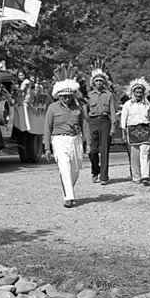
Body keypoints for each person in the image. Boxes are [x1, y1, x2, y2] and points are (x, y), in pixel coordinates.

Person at [44, 65, 90, 208]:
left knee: (75, 170)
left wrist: (88, 143)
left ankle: (68, 188)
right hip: (59, 140)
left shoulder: (78, 107)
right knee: (64, 167)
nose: (66, 98)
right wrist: (47, 148)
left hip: (76, 140)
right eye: (63, 96)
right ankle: (68, 198)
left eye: (69, 96)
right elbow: (47, 127)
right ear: (58, 95)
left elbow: (85, 125)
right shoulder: (52, 108)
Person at [121, 77, 150, 186]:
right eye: (136, 92)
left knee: (145, 153)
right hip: (132, 130)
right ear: (132, 92)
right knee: (134, 155)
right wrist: (124, 134)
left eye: (140, 92)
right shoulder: (127, 104)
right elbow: (123, 120)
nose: (138, 94)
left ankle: (145, 176)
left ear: (143, 93)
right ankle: (136, 176)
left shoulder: (147, 105)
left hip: (145, 129)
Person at [86, 61, 117, 185]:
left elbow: (113, 111)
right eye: (97, 81)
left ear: (104, 83)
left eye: (101, 81)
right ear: (93, 83)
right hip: (92, 122)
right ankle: (95, 170)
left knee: (104, 150)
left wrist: (113, 126)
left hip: (105, 122)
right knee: (92, 151)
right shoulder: (88, 95)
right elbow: (85, 112)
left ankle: (104, 177)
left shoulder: (109, 95)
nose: (99, 83)